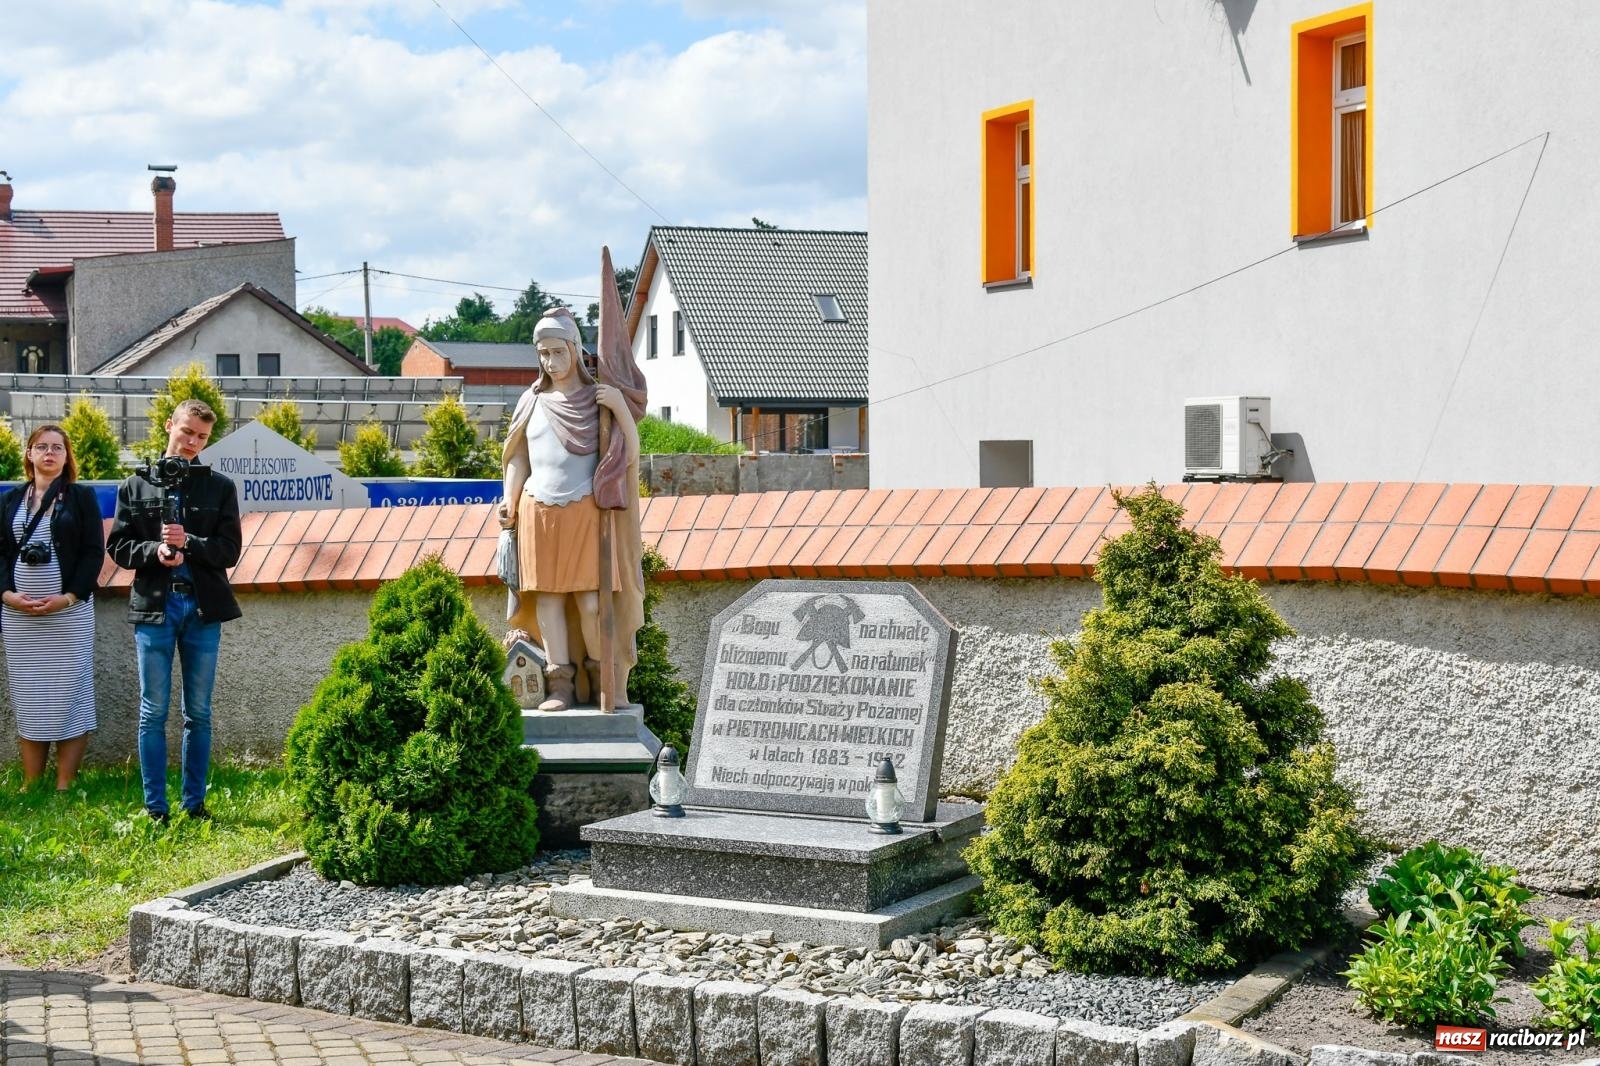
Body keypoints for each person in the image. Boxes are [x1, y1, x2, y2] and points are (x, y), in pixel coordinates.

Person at [499, 306, 645, 711]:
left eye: (558, 352)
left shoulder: (598, 401)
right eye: (543, 354)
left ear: (576, 350)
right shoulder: (531, 401)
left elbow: (630, 457)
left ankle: (602, 680)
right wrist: (510, 497)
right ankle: (560, 684)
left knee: (591, 602)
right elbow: (518, 456)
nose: (551, 362)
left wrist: (619, 407)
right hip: (537, 511)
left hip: (586, 510)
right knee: (548, 601)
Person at [108, 399, 242, 823]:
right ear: (169, 425)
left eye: (202, 437)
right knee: (153, 711)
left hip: (203, 610)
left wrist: (190, 544)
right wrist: (157, 551)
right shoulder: (134, 485)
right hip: (155, 608)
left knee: (198, 713)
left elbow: (230, 550)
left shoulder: (220, 486)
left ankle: (194, 805)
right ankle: (155, 809)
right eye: (187, 432)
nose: (192, 442)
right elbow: (118, 547)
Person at [0, 425, 105, 791]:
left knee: (70, 693)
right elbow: (0, 554)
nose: (49, 453)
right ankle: (31, 782)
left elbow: (94, 553)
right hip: (19, 619)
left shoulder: (81, 497)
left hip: (69, 615)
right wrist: (7, 595)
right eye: (41, 446)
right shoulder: (11, 499)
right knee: (29, 695)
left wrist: (69, 597)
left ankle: (65, 782)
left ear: (66, 456)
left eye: (57, 447)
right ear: (29, 454)